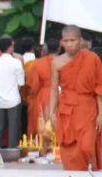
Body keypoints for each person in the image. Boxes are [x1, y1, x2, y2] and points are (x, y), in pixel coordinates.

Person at [47, 26, 102, 171]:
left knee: (86, 146)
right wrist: (51, 112)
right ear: (61, 42)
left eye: (73, 40)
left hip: (87, 108)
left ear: (80, 40)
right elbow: (53, 89)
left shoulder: (92, 59)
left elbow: (99, 89)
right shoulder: (56, 62)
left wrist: (101, 113)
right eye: (66, 41)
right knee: (69, 147)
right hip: (67, 109)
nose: (70, 44)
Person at [0, 38, 24, 149]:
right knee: (13, 127)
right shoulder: (16, 62)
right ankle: (11, 150)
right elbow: (21, 83)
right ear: (10, 47)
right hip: (13, 99)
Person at [27, 40, 58, 134]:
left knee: (42, 121)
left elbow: (34, 85)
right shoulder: (64, 61)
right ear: (59, 48)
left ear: (46, 50)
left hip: (44, 94)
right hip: (60, 94)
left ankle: (42, 145)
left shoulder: (38, 63)